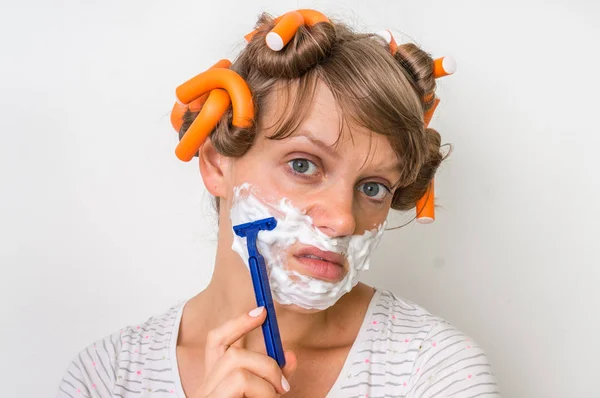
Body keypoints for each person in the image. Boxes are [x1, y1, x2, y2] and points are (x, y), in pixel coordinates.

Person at [57, 9, 500, 398]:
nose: (343, 220)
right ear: (216, 164)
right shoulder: (107, 379)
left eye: (373, 188)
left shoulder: (434, 373)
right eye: (304, 165)